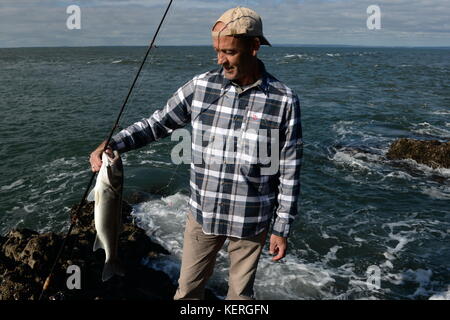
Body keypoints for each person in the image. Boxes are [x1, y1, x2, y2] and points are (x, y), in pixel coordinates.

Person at [89, 7, 303, 300]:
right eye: (217, 50)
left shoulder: (283, 99)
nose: (220, 60)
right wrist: (113, 143)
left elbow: (289, 169)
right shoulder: (200, 87)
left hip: (251, 218)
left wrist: (281, 227)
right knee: (187, 291)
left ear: (254, 47)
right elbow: (157, 124)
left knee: (241, 296)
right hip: (204, 214)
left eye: (229, 51)